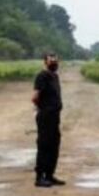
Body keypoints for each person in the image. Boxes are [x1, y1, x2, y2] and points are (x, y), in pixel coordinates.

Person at [32, 53, 65, 188]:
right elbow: (35, 97)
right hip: (46, 116)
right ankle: (39, 177)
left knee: (54, 145)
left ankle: (49, 175)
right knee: (44, 145)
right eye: (51, 60)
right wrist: (43, 108)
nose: (54, 62)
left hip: (54, 116)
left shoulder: (55, 76)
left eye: (56, 60)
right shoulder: (42, 76)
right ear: (45, 62)